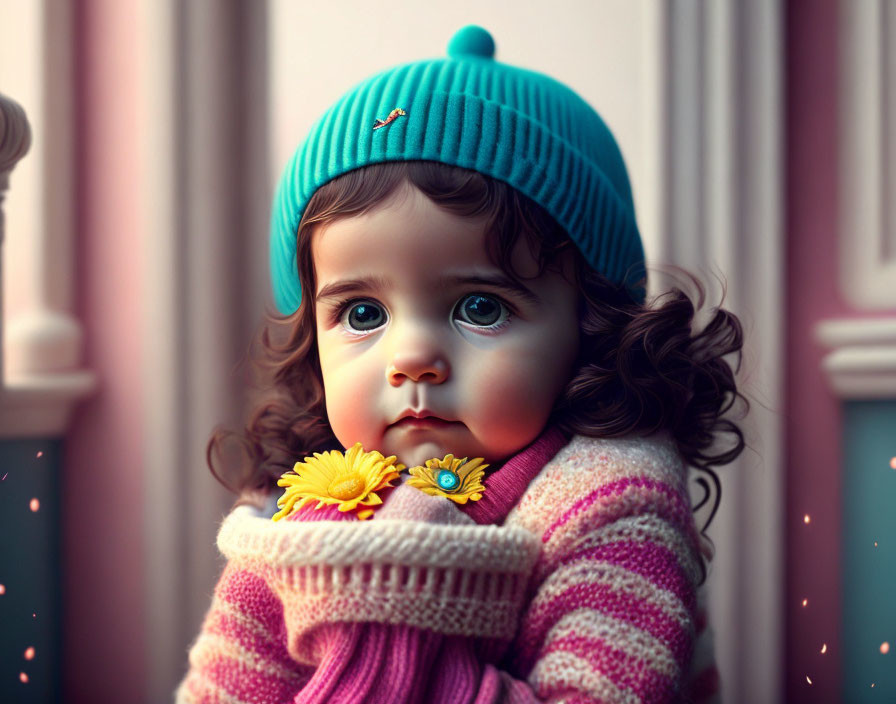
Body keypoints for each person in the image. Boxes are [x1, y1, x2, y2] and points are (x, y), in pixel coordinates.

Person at [176, 25, 746, 704]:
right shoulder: (300, 506)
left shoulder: (616, 505)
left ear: (590, 325)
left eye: (479, 306)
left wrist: (378, 610)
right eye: (362, 314)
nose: (412, 357)